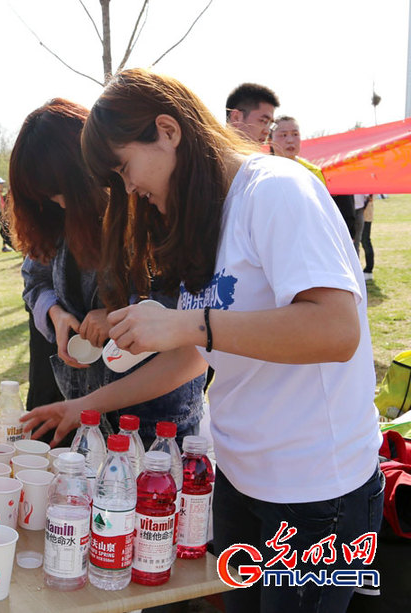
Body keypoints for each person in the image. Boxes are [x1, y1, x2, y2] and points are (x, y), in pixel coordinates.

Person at [78, 68, 382, 613]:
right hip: (240, 479)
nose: (130, 189)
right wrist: (84, 405)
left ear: (168, 131)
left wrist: (188, 324)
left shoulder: (276, 192)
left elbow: (337, 330)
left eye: (124, 168)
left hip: (315, 493)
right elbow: (198, 355)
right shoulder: (210, 214)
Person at [9, 99, 203, 448]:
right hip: (82, 405)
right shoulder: (55, 220)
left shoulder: (150, 203)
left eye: (61, 192)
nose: (60, 204)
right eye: (48, 198)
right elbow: (34, 278)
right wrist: (56, 314)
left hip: (153, 417)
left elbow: (186, 306)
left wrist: (119, 316)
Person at [268, 116, 326, 184]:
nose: (290, 140)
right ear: (270, 141)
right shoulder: (263, 171)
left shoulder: (313, 172)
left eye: (295, 134)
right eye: (284, 135)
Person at [0, 176, 13, 251]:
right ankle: (4, 246)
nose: (2, 185)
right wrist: (4, 214)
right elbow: (0, 204)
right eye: (0, 183)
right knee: (4, 229)